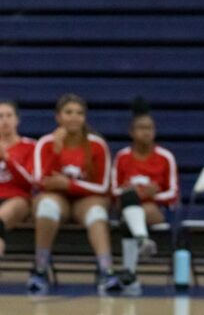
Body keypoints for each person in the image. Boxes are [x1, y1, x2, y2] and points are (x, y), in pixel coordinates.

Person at [29, 93, 121, 295]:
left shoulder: (97, 145)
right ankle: (40, 269)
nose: (74, 117)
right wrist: (56, 150)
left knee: (97, 212)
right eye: (68, 112)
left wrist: (68, 184)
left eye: (79, 113)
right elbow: (39, 182)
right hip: (56, 198)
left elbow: (103, 187)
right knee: (46, 207)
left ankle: (106, 271)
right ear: (58, 117)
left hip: (86, 199)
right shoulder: (45, 143)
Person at [112, 97, 179, 295]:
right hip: (127, 205)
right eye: (141, 128)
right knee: (130, 202)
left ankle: (130, 274)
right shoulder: (123, 156)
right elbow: (114, 189)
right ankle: (142, 241)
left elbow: (173, 193)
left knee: (133, 214)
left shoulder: (165, 157)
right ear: (131, 132)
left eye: (150, 128)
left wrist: (153, 195)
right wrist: (139, 193)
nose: (146, 132)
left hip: (154, 209)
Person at [0, 100, 35, 257]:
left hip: (17, 198)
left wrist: (7, 159)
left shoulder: (30, 146)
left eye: (9, 115)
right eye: (0, 116)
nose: (5, 120)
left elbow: (29, 182)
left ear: (17, 120)